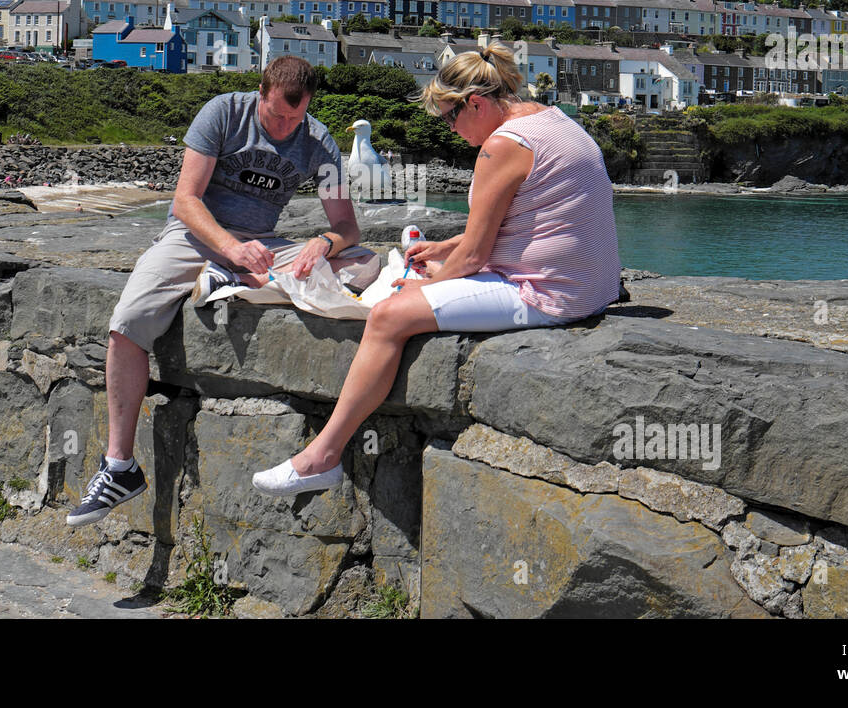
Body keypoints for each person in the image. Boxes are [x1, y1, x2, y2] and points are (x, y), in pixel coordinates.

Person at [251, 42, 623, 496]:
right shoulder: (553, 119)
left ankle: (321, 457)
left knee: (389, 316)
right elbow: (526, 217)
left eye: (451, 117)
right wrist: (445, 247)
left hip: (547, 292)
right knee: (418, 280)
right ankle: (321, 456)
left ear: (477, 103)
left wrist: (415, 287)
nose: (450, 130)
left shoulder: (501, 147)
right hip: (594, 283)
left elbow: (474, 259)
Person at [67, 56, 379, 525]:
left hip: (263, 247)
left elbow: (347, 228)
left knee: (366, 263)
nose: (284, 126)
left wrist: (324, 241)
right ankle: (119, 467)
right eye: (276, 115)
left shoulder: (318, 142)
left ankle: (236, 280)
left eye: (295, 118)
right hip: (197, 237)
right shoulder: (223, 112)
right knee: (127, 323)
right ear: (261, 92)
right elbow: (186, 200)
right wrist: (230, 249)